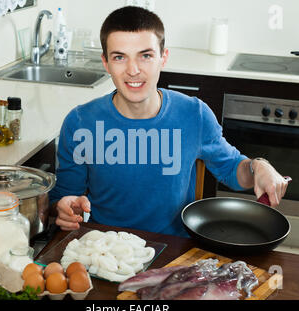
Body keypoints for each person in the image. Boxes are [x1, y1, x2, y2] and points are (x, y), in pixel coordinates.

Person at [48, 6, 289, 238]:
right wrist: (65, 208)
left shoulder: (193, 114)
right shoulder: (80, 122)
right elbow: (66, 196)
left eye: (145, 56)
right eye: (120, 57)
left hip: (174, 249)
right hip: (106, 249)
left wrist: (260, 166)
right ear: (105, 63)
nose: (133, 70)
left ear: (163, 57)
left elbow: (233, 172)